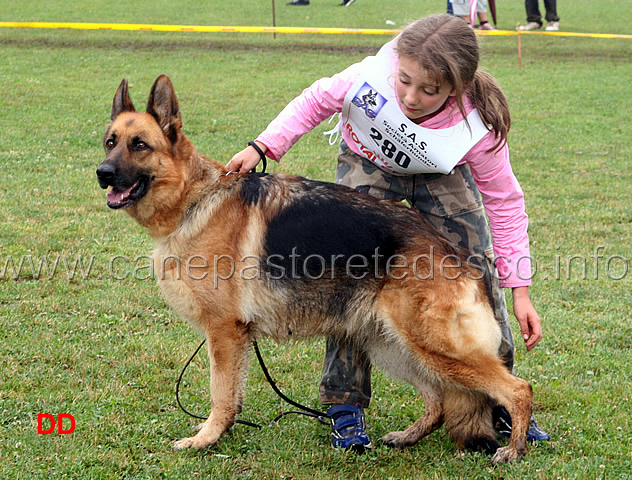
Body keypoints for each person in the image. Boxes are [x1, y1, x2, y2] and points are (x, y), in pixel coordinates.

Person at [226, 13, 549, 452]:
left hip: (441, 173)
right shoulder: (369, 77)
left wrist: (521, 290)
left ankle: (498, 398)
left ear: (456, 89)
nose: (411, 98)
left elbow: (506, 204)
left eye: (429, 90)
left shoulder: (476, 127)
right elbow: (314, 101)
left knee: (473, 266)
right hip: (369, 161)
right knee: (346, 276)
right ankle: (345, 404)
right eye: (405, 81)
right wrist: (264, 145)